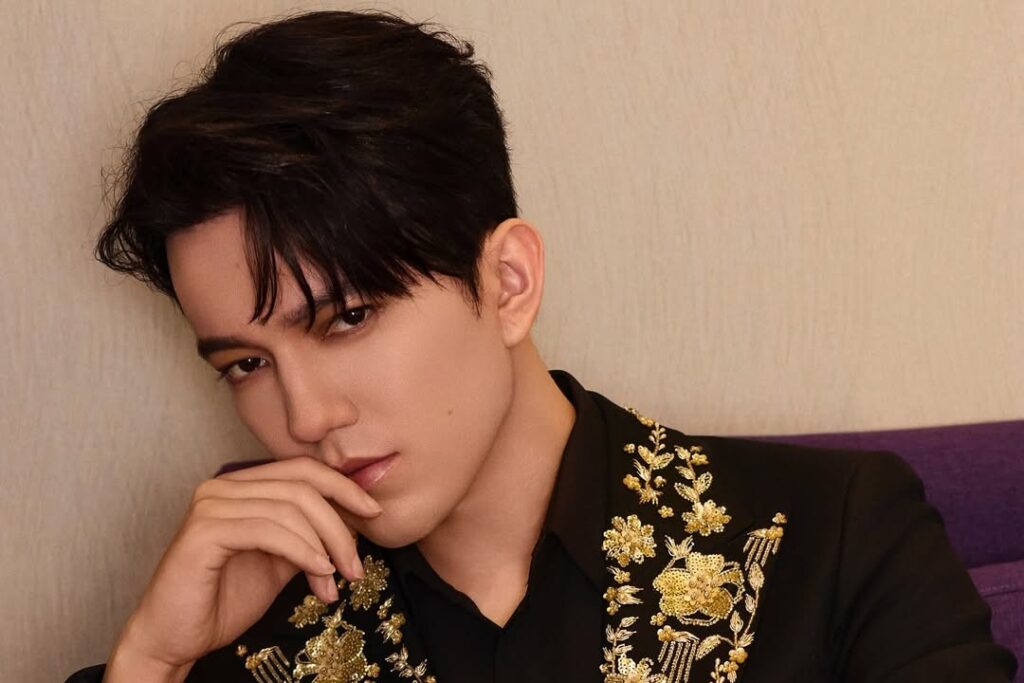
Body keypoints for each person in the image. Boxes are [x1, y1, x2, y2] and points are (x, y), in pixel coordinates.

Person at [65, 9, 1017, 683]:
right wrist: (152, 659)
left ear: (508, 282)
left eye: (346, 317)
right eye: (246, 363)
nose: (307, 417)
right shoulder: (236, 620)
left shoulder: (835, 536)